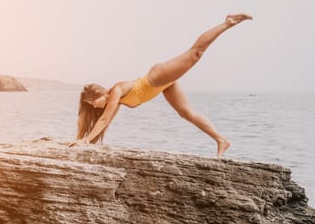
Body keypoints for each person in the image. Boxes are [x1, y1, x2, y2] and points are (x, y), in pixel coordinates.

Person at [71, 13, 252, 157]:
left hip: (156, 78)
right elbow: (106, 122)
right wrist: (82, 140)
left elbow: (103, 120)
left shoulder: (116, 91)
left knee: (195, 53)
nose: (94, 106)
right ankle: (221, 140)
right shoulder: (115, 102)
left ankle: (227, 22)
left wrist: (85, 141)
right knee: (187, 113)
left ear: (99, 94)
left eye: (93, 102)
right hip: (162, 86)